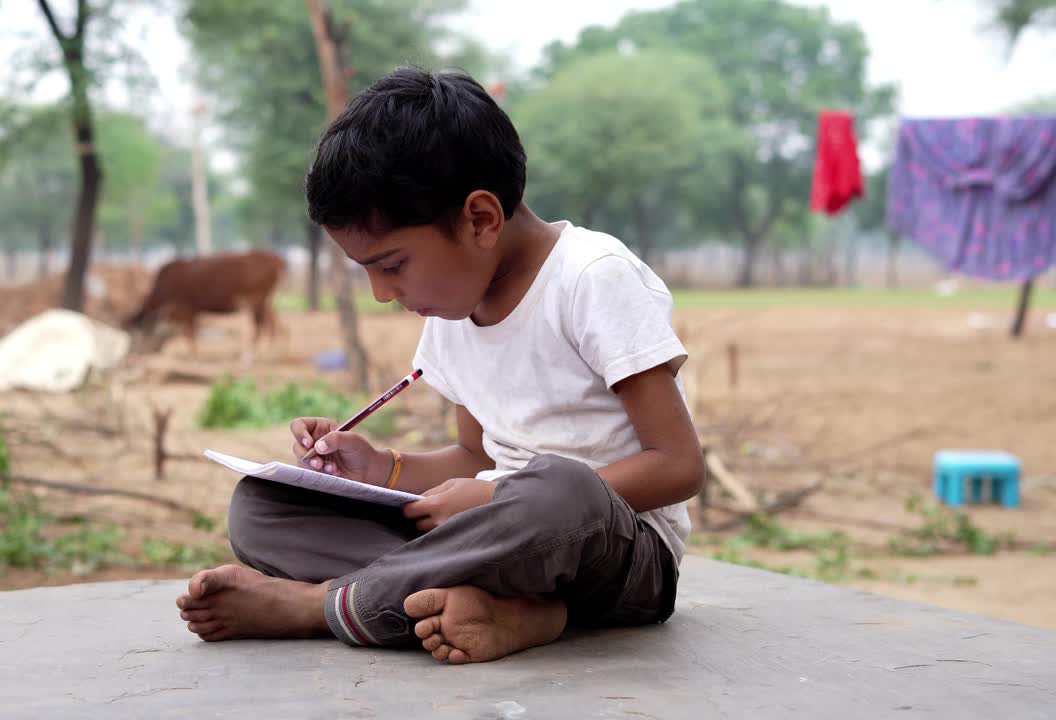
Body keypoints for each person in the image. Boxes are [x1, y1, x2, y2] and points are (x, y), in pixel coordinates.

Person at [176, 65, 704, 664]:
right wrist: (382, 468)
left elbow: (677, 465)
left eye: (393, 265)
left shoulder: (591, 277)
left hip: (613, 550)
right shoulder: (452, 309)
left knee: (561, 485)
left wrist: (497, 500)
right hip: (486, 541)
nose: (381, 292)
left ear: (480, 218)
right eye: (367, 270)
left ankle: (323, 604)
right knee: (260, 508)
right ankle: (510, 610)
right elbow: (476, 457)